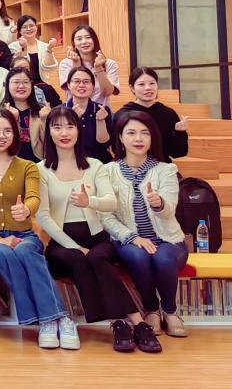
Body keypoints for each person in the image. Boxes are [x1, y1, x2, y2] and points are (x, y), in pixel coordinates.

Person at [37, 106, 159, 353]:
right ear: (49, 132)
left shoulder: (95, 165)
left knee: (95, 257)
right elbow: (43, 215)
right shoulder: (40, 169)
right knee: (77, 258)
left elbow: (110, 202)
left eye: (70, 126)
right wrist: (75, 246)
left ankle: (124, 324)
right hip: (62, 243)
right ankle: (131, 322)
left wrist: (89, 202)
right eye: (57, 127)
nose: (64, 133)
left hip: (97, 239)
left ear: (78, 131)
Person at [0, 109, 79, 350]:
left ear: (15, 134)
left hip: (24, 235)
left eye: (7, 130)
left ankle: (55, 321)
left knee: (26, 250)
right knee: (3, 252)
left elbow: (34, 198)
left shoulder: (28, 166)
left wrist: (26, 209)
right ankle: (50, 318)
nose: (1, 135)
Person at [101, 111, 189, 339]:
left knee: (162, 257)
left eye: (145, 133)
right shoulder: (108, 172)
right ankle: (151, 309)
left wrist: (159, 203)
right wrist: (132, 237)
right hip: (129, 240)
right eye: (131, 133)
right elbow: (106, 216)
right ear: (120, 138)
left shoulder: (166, 170)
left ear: (152, 138)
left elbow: (170, 209)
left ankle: (170, 311)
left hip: (168, 239)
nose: (138, 139)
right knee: (138, 255)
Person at [120, 67, 189, 163]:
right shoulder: (122, 114)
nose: (148, 88)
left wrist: (180, 133)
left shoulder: (168, 113)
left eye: (152, 83)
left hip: (162, 166)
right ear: (132, 88)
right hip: (131, 167)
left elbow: (178, 153)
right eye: (141, 84)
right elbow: (117, 149)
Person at [58, 25, 120, 106]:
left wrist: (99, 69)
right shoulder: (66, 63)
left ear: (95, 40)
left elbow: (107, 92)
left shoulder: (110, 64)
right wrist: (76, 64)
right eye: (79, 39)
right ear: (74, 43)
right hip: (74, 110)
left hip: (101, 111)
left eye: (88, 37)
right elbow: (76, 91)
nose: (84, 42)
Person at [64, 66, 113, 162]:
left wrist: (100, 121)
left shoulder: (102, 109)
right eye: (77, 81)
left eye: (86, 82)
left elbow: (104, 145)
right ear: (69, 85)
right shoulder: (59, 111)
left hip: (99, 161)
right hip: (69, 161)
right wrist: (74, 120)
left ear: (93, 86)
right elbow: (61, 142)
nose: (81, 85)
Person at [1, 67, 50, 162]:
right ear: (8, 85)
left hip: (37, 162)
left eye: (26, 82)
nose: (21, 86)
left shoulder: (42, 110)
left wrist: (45, 120)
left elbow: (48, 143)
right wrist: (12, 120)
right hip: (9, 162)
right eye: (16, 82)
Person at [9, 15, 58, 86]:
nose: (29, 29)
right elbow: (16, 69)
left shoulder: (45, 46)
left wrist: (49, 49)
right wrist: (24, 49)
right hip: (22, 85)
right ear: (19, 31)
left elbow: (50, 68)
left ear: (36, 27)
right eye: (25, 27)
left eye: (31, 26)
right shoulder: (13, 47)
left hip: (42, 85)